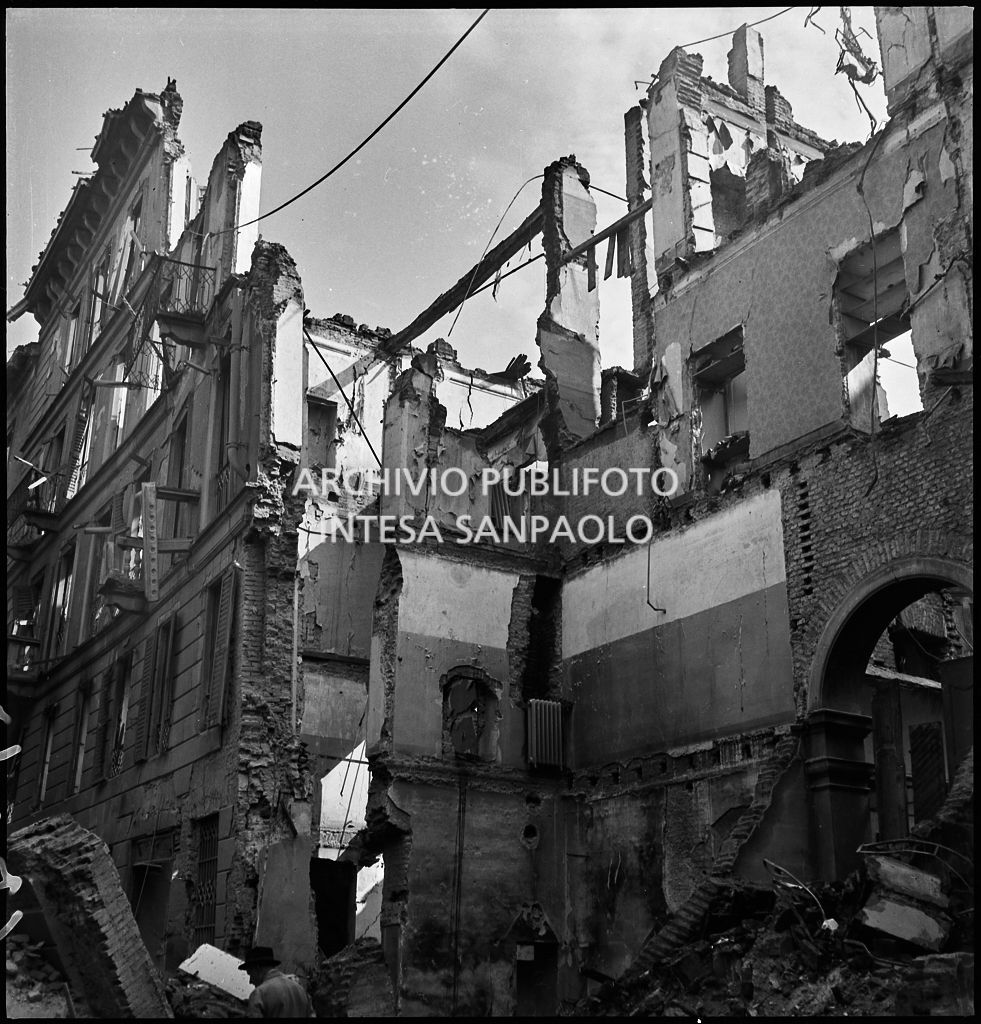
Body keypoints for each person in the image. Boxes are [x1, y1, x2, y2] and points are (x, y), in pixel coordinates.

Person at [239, 946, 315, 1018]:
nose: (250, 981)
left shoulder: (259, 994)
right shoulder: (301, 990)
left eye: (250, 974)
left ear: (257, 968)